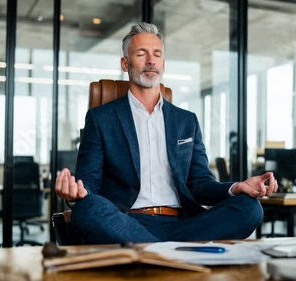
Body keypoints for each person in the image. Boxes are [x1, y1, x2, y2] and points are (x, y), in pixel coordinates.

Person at [55, 22, 278, 244]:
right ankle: (169, 252)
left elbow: (200, 185)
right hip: (125, 222)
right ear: (125, 63)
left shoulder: (186, 121)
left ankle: (151, 251)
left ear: (163, 64)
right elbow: (89, 183)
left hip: (185, 224)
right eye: (141, 54)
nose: (150, 60)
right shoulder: (100, 118)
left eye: (156, 54)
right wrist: (76, 193)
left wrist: (236, 187)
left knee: (250, 208)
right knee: (88, 208)